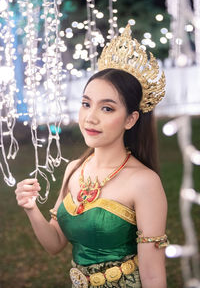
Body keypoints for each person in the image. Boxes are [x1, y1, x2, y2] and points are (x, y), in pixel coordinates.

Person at [15, 24, 169, 288]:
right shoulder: (75, 169)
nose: (91, 117)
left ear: (131, 119)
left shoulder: (144, 182)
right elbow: (55, 244)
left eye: (107, 108)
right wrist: (31, 209)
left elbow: (154, 276)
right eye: (86, 104)